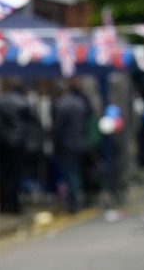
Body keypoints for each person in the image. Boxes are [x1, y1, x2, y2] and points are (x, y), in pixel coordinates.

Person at [0, 80, 36, 215]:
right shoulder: (23, 102)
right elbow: (31, 123)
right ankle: (14, 204)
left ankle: (3, 204)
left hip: (2, 144)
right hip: (18, 144)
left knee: (3, 174)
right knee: (16, 175)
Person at [52, 81, 91, 213]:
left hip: (67, 145)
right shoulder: (80, 103)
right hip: (81, 143)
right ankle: (80, 199)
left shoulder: (61, 105)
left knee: (71, 174)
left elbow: (58, 128)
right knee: (77, 173)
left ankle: (73, 204)